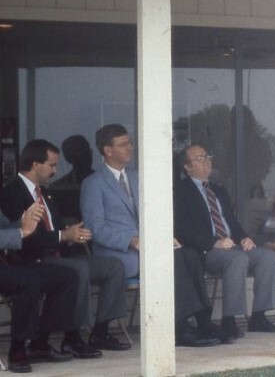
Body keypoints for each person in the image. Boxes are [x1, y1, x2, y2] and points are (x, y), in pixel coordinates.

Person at [80, 124, 225, 347]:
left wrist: (164, 235)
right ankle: (179, 328)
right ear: (108, 150)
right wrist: (131, 240)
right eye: (124, 144)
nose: (130, 148)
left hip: (149, 248)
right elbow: (95, 228)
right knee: (173, 260)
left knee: (190, 253)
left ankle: (203, 320)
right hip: (118, 253)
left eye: (130, 142)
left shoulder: (138, 178)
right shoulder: (93, 183)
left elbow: (154, 214)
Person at [0, 139, 128, 357]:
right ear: (35, 164)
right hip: (33, 259)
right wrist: (62, 235)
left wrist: (72, 235)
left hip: (58, 254)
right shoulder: (11, 193)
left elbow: (56, 229)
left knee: (114, 266)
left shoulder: (46, 193)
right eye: (51, 165)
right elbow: (23, 237)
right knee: (77, 271)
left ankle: (101, 330)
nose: (55, 170)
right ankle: (71, 337)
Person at [174, 143, 275, 339]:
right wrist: (213, 243)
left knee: (267, 256)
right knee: (237, 260)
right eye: (200, 158)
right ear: (187, 167)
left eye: (207, 156)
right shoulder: (180, 191)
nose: (207, 161)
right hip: (206, 251)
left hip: (231, 246)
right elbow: (182, 230)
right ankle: (229, 320)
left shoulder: (219, 190)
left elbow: (231, 221)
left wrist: (244, 238)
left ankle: (258, 317)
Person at [0, 203, 80, 372]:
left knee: (66, 276)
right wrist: (21, 232)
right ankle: (18, 348)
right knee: (28, 280)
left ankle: (40, 343)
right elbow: (14, 234)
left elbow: (6, 227)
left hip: (7, 264)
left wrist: (22, 222)